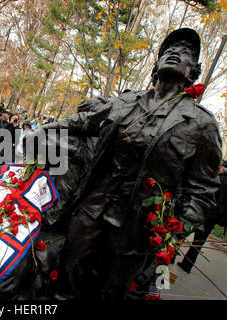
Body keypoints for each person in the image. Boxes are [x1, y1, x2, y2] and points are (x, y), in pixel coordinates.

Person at [25, 28, 222, 300]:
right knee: (64, 285)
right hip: (91, 213)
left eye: (186, 53)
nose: (174, 53)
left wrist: (173, 234)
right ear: (156, 65)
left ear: (193, 73)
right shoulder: (126, 102)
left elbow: (202, 191)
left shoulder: (201, 125)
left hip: (138, 235)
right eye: (168, 51)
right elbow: (85, 122)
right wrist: (44, 130)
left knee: (115, 295)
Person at [177, 163, 227, 273]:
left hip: (204, 212)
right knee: (199, 242)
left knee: (183, 231)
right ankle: (187, 264)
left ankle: (171, 255)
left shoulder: (219, 179)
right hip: (214, 216)